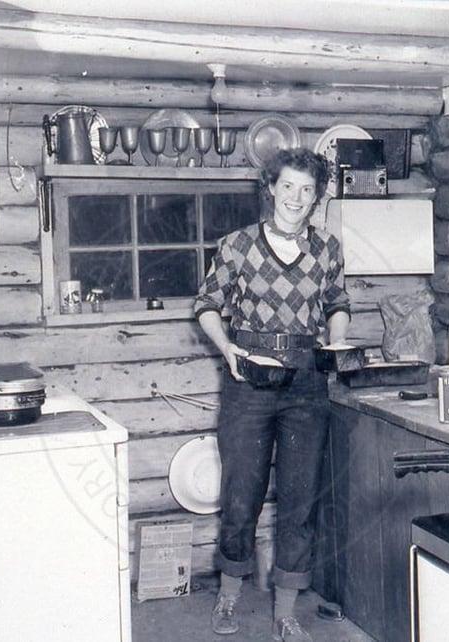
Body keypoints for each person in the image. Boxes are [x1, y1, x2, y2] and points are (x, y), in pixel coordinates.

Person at [194, 147, 350, 641]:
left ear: (316, 197)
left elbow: (336, 302)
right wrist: (228, 351)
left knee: (300, 502)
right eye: (288, 187)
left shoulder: (326, 249)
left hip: (307, 385)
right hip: (249, 383)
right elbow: (207, 304)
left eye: (307, 190)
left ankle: (286, 611)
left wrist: (337, 338)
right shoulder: (237, 246)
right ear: (271, 188)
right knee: (242, 497)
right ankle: (229, 596)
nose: (296, 198)